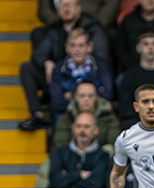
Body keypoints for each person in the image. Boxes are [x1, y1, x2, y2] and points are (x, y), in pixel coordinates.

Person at [20, 0, 109, 131]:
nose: (66, 9)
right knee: (26, 68)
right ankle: (37, 115)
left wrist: (74, 94)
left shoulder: (92, 27)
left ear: (79, 8)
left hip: (87, 78)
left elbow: (100, 59)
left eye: (70, 5)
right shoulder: (56, 29)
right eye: (62, 5)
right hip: (59, 76)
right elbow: (39, 54)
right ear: (57, 10)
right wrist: (46, 62)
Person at [49, 28, 112, 119]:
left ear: (89, 47)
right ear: (67, 47)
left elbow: (106, 96)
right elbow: (57, 103)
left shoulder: (101, 66)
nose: (76, 50)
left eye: (81, 45)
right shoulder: (59, 68)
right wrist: (92, 95)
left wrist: (71, 96)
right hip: (67, 117)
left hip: (97, 116)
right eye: (72, 45)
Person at [53, 81, 120, 153]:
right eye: (82, 96)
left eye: (90, 96)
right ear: (75, 97)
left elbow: (115, 144)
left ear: (96, 96)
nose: (86, 99)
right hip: (71, 160)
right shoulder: (66, 118)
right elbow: (60, 145)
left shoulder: (108, 117)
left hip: (102, 159)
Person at [38, 0, 119, 30]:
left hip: (93, 24)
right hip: (59, 26)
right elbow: (44, 11)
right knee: (38, 33)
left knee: (111, 35)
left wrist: (95, 23)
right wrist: (63, 26)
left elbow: (111, 4)